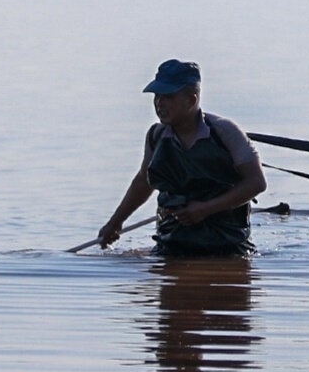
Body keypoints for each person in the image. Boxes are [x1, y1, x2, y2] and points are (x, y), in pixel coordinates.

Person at [100, 60, 268, 256]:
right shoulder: (156, 135)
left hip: (227, 245)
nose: (159, 103)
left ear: (191, 100)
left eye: (168, 97)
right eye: (157, 96)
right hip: (171, 241)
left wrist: (205, 209)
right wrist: (115, 222)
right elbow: (143, 182)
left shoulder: (225, 132)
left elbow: (256, 183)